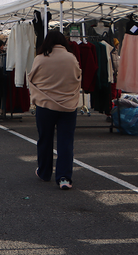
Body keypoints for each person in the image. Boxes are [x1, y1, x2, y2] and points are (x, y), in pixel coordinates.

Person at [28, 30, 81, 190]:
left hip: (45, 104)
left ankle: (44, 172)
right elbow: (77, 77)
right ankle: (64, 178)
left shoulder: (40, 58)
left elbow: (32, 78)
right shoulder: (71, 58)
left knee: (45, 139)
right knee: (66, 142)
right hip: (68, 105)